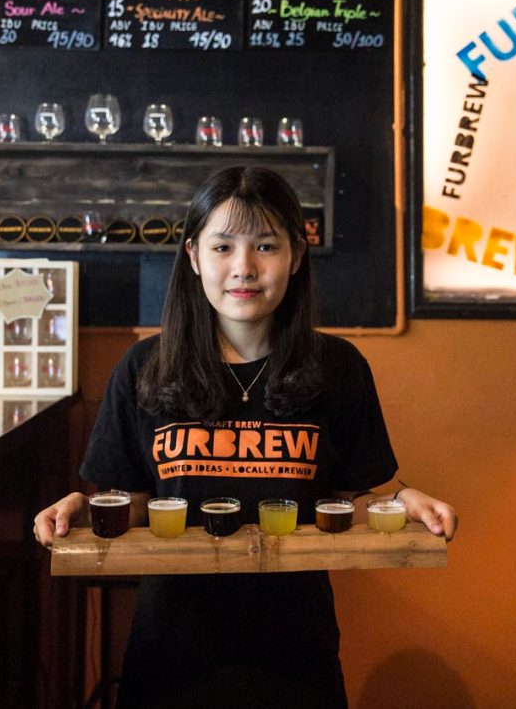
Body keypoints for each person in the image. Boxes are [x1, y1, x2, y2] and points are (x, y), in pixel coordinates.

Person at [34, 165, 457, 709]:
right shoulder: (146, 368)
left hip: (293, 653)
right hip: (172, 651)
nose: (244, 268)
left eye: (265, 245)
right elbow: (133, 505)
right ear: (193, 257)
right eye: (223, 246)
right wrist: (83, 508)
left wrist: (402, 500)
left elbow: (351, 504)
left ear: (296, 257)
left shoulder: (339, 368)